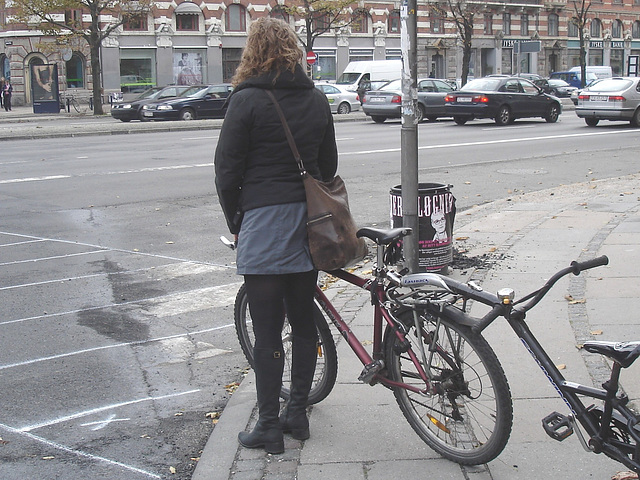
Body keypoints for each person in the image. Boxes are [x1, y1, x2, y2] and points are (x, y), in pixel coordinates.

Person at [214, 17, 338, 455]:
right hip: (309, 223)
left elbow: (227, 171)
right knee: (303, 321)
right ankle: (297, 414)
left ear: (253, 50)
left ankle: (268, 425)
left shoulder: (245, 101)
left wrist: (236, 220)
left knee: (267, 331)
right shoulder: (318, 99)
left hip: (264, 221)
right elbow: (328, 165)